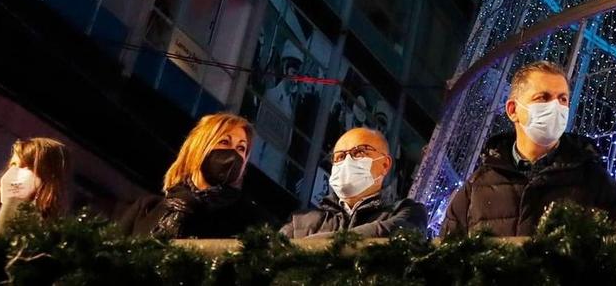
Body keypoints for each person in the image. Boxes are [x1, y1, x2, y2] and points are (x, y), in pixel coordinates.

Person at [440, 61, 616, 236]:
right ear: (513, 110)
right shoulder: (477, 187)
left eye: (562, 99)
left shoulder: (594, 182)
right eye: (543, 98)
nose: (555, 107)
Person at [117, 113, 267, 238]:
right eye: (224, 142)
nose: (233, 153)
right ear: (200, 147)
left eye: (241, 148)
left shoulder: (245, 222)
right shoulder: (146, 208)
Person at [284, 127, 426, 238]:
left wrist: (311, 244)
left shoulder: (406, 212)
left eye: (359, 153)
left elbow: (393, 234)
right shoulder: (300, 222)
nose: (347, 161)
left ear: (384, 165)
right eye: (340, 156)